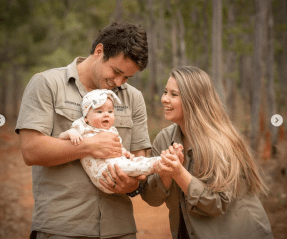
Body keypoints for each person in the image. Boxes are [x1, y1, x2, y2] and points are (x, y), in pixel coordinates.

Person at [16, 22, 151, 239]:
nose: (118, 82)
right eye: (116, 71)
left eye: (126, 77)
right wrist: (89, 146)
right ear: (99, 51)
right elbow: (31, 150)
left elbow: (140, 159)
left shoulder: (133, 98)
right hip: (62, 227)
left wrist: (132, 184)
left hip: (120, 229)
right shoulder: (47, 84)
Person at [141, 66, 274, 239]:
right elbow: (152, 198)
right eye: (165, 92)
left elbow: (216, 204)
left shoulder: (222, 142)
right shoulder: (164, 140)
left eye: (174, 95)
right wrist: (166, 175)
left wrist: (179, 173)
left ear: (193, 100)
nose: (164, 99)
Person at [59, 89, 162, 194]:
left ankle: (161, 160)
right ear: (86, 117)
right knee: (124, 167)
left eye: (110, 111)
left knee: (135, 161)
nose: (106, 115)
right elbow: (62, 136)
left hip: (116, 169)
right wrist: (72, 133)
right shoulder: (82, 126)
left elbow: (118, 148)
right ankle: (156, 165)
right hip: (102, 174)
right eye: (99, 111)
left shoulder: (112, 130)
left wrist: (126, 153)